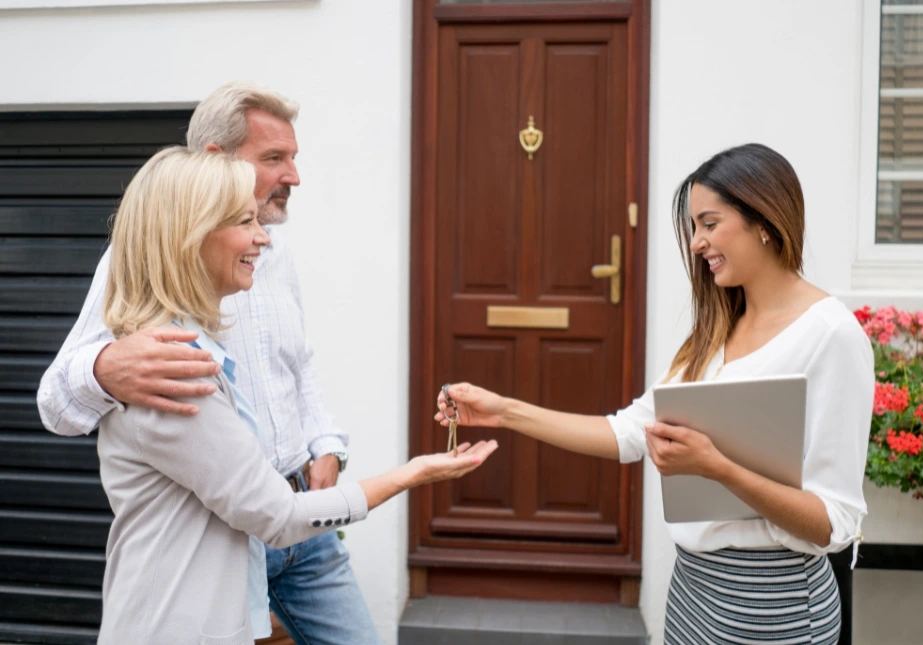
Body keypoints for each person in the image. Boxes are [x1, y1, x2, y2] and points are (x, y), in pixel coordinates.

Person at [435, 143, 873, 645]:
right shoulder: (717, 329)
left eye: (710, 224)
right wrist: (504, 411)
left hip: (770, 605)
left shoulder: (832, 336)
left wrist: (719, 468)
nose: (696, 243)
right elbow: (627, 432)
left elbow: (833, 523)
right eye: (693, 228)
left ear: (765, 220)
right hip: (693, 591)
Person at [94, 146, 497, 645]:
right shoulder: (172, 369)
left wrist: (325, 441)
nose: (263, 237)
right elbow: (277, 517)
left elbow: (300, 362)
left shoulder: (187, 344)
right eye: (245, 222)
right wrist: (413, 472)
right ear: (190, 237)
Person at [36, 83, 381, 643]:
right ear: (216, 162)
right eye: (274, 159)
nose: (293, 176)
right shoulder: (141, 260)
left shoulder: (274, 251)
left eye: (293, 158)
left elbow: (299, 366)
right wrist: (101, 368)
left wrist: (326, 444)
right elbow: (55, 401)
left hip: (305, 520)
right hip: (226, 532)